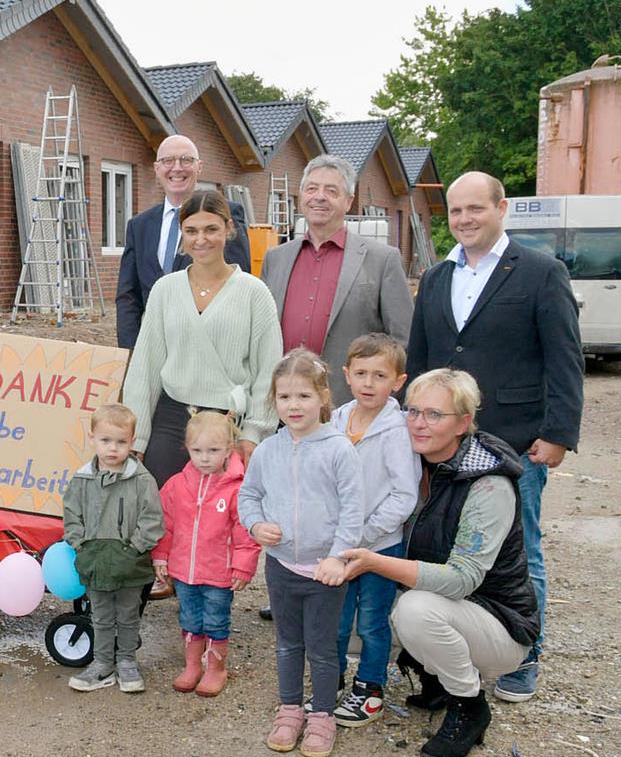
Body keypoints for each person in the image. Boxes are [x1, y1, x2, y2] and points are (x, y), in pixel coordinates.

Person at [406, 171, 582, 703]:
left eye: (474, 209)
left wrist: (557, 434)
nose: (463, 219)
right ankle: (444, 658)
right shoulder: (436, 278)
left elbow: (564, 358)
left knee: (520, 552)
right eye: (455, 211)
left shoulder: (540, 272)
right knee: (444, 548)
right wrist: (408, 425)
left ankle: (523, 656)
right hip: (444, 443)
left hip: (516, 441)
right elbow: (420, 359)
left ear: (501, 208)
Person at [341, 369, 539, 757]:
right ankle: (434, 673)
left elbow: (463, 578)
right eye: (413, 410)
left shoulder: (488, 485)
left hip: (498, 620)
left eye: (434, 415)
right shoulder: (414, 464)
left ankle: (469, 705)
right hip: (448, 605)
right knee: (380, 618)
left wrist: (374, 562)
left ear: (463, 423)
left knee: (413, 611)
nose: (418, 422)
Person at [238, 349, 364, 757]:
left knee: (323, 647)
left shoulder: (339, 450)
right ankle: (290, 708)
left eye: (304, 396)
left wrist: (336, 557)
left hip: (324, 573)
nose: (294, 405)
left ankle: (323, 714)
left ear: (323, 397)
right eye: (285, 397)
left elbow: (352, 510)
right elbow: (249, 495)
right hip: (281, 566)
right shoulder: (269, 450)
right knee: (288, 643)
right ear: (273, 401)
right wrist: (256, 526)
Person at [122, 191, 282, 491]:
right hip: (171, 419)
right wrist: (138, 436)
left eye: (211, 229)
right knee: (164, 513)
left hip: (229, 420)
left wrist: (254, 433)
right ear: (182, 234)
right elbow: (145, 368)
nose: (201, 240)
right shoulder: (164, 290)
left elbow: (268, 371)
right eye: (192, 231)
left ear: (228, 229)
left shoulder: (254, 292)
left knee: (222, 521)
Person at [260, 154, 414, 406]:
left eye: (331, 190)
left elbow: (402, 340)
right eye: (311, 188)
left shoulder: (382, 259)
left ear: (348, 201)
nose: (319, 196)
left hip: (348, 407)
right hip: (283, 406)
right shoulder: (275, 258)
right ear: (301, 197)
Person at [327, 333, 420, 725]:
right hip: (338, 545)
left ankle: (370, 686)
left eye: (379, 375)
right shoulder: (335, 419)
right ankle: (329, 676)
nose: (369, 383)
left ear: (398, 381)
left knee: (372, 621)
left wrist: (363, 533)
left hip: (381, 547)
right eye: (361, 373)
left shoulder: (397, 431)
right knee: (336, 616)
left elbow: (404, 494)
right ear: (347, 375)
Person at [153, 411, 260, 698]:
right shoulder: (177, 485)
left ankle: (216, 669)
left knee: (215, 619)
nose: (204, 458)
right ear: (187, 449)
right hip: (184, 572)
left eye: (213, 451)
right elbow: (166, 523)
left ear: (228, 448)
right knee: (189, 618)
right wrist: (160, 556)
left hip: (218, 573)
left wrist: (243, 567)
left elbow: (245, 531)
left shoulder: (238, 488)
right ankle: (192, 666)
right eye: (197, 450)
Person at [62, 403, 165, 693]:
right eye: (106, 440)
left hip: (130, 563)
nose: (113, 449)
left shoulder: (142, 480)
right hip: (95, 561)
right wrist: (80, 545)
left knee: (129, 615)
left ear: (132, 442)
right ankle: (102, 664)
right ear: (92, 438)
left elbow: (153, 519)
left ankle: (127, 662)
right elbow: (71, 514)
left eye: (121, 442)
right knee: (101, 616)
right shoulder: (82, 480)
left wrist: (135, 548)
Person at [115, 135, 251, 351]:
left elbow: (238, 285)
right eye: (168, 161)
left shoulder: (226, 214)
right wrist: (131, 352)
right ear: (157, 169)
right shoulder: (139, 225)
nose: (177, 168)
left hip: (208, 350)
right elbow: (128, 297)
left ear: (199, 167)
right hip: (154, 349)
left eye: (186, 160)